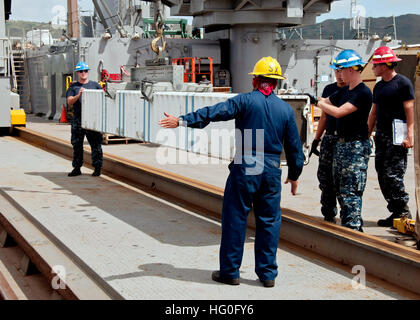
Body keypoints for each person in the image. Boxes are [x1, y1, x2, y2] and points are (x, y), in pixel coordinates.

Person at [159, 57, 304, 287]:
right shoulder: (285, 110)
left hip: (247, 165)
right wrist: (294, 176)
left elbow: (214, 112)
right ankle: (267, 275)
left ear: (255, 80)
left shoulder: (245, 101)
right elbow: (295, 148)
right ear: (276, 84)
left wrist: (182, 121)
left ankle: (230, 272)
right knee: (269, 221)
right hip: (271, 169)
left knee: (236, 218)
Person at [317, 50, 372, 232]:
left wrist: (319, 104)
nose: (338, 74)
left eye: (341, 69)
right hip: (341, 145)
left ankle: (354, 230)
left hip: (354, 146)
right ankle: (348, 228)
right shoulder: (344, 91)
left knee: (351, 191)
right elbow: (327, 101)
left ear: (351, 69)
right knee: (340, 188)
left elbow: (339, 111)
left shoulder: (362, 92)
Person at [367, 46, 414, 227]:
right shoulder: (379, 86)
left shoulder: (403, 83)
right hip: (382, 136)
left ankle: (403, 211)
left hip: (398, 137)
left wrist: (410, 136)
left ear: (385, 65)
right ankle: (395, 211)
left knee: (394, 175)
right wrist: (367, 133)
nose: (373, 68)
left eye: (375, 65)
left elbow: (409, 110)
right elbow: (374, 112)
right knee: (382, 174)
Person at [309, 61, 347, 223]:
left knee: (344, 180)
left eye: (341, 71)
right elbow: (324, 115)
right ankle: (328, 212)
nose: (339, 74)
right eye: (336, 71)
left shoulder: (353, 91)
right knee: (325, 177)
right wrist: (317, 139)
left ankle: (348, 215)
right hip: (329, 138)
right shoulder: (329, 90)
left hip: (345, 140)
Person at [66, 62, 103, 177]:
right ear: (78, 73)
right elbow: (69, 101)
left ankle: (97, 168)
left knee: (96, 145)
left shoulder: (95, 85)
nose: (83, 73)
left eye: (85, 71)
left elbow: (103, 99)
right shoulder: (73, 87)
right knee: (77, 144)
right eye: (81, 71)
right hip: (78, 119)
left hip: (92, 119)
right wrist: (79, 95)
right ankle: (77, 168)